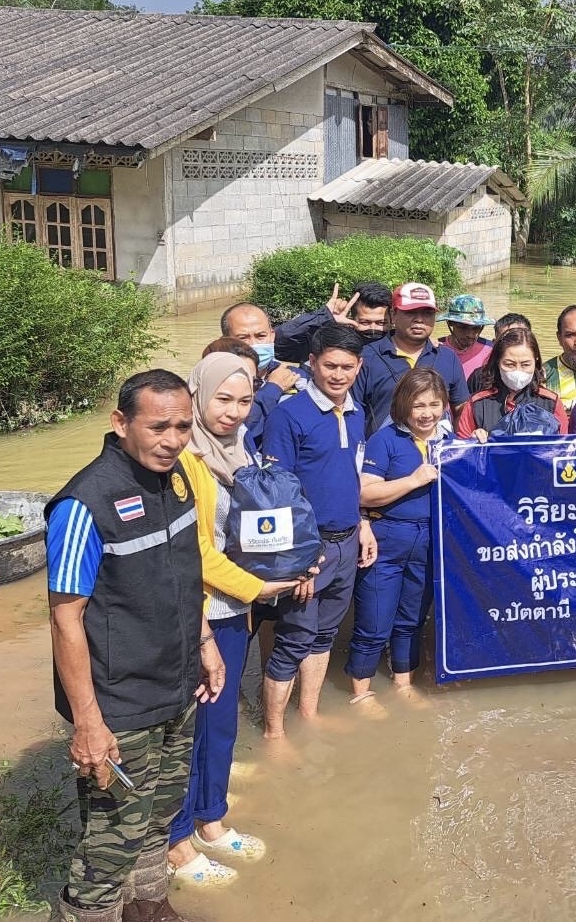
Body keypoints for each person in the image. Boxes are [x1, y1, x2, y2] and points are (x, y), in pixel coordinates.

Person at [45, 369, 224, 922]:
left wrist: (205, 639)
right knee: (111, 838)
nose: (173, 440)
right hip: (119, 704)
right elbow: (64, 621)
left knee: (161, 813)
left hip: (177, 685)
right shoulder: (83, 504)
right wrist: (88, 723)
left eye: (183, 426)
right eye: (158, 427)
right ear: (120, 423)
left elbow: (185, 573)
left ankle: (149, 907)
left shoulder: (177, 480)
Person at [167, 355, 306, 885]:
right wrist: (258, 587)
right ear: (197, 394)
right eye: (222, 399)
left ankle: (211, 818)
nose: (232, 411)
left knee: (220, 721)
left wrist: (293, 559)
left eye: (244, 400)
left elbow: (248, 532)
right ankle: (177, 840)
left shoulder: (238, 448)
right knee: (189, 726)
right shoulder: (185, 458)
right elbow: (194, 548)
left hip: (234, 609)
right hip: (198, 611)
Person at [260, 323, 378, 739]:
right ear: (312, 363)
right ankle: (274, 732)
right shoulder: (288, 416)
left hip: (347, 542)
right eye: (330, 365)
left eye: (347, 366)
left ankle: (308, 715)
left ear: (359, 367)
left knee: (325, 634)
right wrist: (300, 559)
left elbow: (351, 475)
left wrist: (363, 523)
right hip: (309, 552)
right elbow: (275, 495)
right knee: (293, 638)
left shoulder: (358, 411)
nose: (338, 374)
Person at [347, 367, 451, 708]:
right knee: (375, 621)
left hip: (429, 542)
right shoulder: (386, 439)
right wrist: (412, 480)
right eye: (418, 405)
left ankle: (403, 682)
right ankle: (361, 693)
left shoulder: (448, 442)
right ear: (403, 405)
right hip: (387, 539)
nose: (426, 413)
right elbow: (364, 494)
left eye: (434, 404)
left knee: (411, 620)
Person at [353, 282, 469, 437]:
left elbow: (462, 409)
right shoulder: (366, 358)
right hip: (383, 457)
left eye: (427, 313)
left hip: (436, 455)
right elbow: (353, 413)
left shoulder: (448, 357)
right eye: (411, 312)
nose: (419, 319)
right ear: (394, 315)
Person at [219, 303, 305, 450]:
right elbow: (233, 434)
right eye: (243, 338)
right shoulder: (216, 382)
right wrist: (273, 389)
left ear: (272, 336)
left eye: (260, 336)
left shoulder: (296, 377)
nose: (254, 344)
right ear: (226, 341)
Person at [455, 327, 568, 440]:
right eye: (509, 364)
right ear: (498, 362)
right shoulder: (477, 404)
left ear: (536, 361)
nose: (518, 371)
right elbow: (461, 449)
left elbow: (564, 447)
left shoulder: (551, 403)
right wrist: (472, 441)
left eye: (525, 364)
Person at [274, 281, 392, 363]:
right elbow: (279, 344)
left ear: (393, 319)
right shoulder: (331, 342)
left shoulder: (401, 345)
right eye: (365, 322)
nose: (373, 329)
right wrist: (324, 318)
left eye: (381, 323)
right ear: (352, 319)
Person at [468, 313, 533, 393]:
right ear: (494, 344)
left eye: (520, 338)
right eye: (507, 340)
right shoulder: (479, 378)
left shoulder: (544, 379)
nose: (515, 345)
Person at [437, 294, 494, 381]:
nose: (470, 335)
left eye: (476, 328)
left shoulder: (490, 350)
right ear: (450, 323)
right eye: (463, 327)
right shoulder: (436, 348)